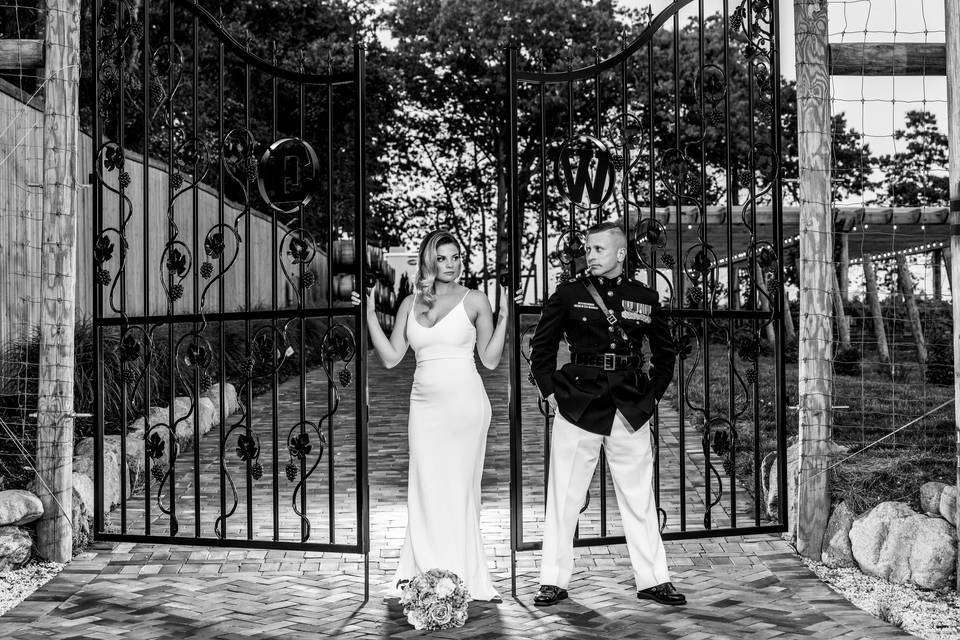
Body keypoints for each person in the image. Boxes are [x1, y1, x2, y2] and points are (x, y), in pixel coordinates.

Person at [529, 220, 685, 607]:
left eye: (598, 249)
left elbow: (666, 356)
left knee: (638, 496)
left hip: (629, 404)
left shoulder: (644, 298)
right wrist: (551, 392)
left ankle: (653, 580)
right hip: (578, 402)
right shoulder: (568, 294)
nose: (590, 255)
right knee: (564, 495)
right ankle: (553, 579)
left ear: (619, 253)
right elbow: (541, 350)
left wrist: (651, 398)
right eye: (587, 249)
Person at [352, 229, 508, 601]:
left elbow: (489, 360)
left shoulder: (475, 301)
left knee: (459, 490)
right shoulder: (410, 303)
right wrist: (369, 314)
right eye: (442, 258)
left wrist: (505, 318)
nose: (450, 265)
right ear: (429, 260)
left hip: (466, 406)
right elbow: (391, 358)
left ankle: (467, 576)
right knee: (424, 488)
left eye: (456, 257)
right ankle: (423, 574)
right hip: (423, 409)